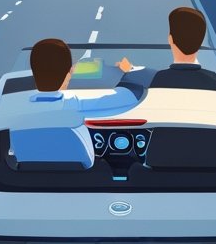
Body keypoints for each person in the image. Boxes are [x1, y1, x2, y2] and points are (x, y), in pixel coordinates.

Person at [8, 38, 140, 168]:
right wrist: (129, 70)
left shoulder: (12, 106)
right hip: (79, 176)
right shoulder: (76, 104)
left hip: (29, 175)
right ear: (69, 73)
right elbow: (130, 95)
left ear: (33, 70)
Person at [119, 6, 216, 93]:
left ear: (170, 39)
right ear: (201, 41)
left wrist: (129, 69)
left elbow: (131, 81)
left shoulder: (154, 80)